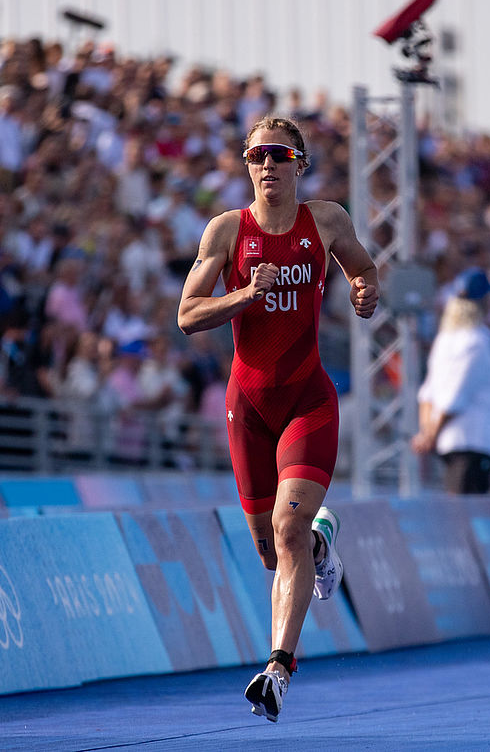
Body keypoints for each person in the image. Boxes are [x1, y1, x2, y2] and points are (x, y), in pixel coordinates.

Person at [177, 116, 378, 722]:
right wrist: (243, 296)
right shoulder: (227, 232)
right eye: (257, 155)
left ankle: (277, 670)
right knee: (273, 552)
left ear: (300, 164)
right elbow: (187, 314)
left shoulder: (328, 221)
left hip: (308, 401)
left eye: (280, 155)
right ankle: (322, 541)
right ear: (247, 164)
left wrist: (364, 293)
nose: (268, 165)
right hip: (249, 408)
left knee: (286, 534)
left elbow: (364, 271)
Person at [411, 268, 490, 494]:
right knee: (467, 519)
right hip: (473, 444)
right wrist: (430, 435)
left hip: (454, 444)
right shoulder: (476, 342)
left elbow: (428, 394)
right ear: (483, 301)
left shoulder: (445, 340)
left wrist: (427, 432)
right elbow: (454, 398)